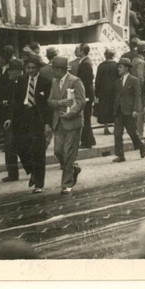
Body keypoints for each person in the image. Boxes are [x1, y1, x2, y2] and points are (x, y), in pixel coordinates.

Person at [6, 56, 52, 193]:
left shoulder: (46, 82)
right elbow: (15, 101)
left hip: (37, 117)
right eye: (28, 68)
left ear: (38, 68)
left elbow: (48, 106)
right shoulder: (21, 80)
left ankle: (39, 183)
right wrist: (10, 118)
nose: (30, 71)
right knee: (20, 146)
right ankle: (31, 170)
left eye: (33, 68)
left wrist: (47, 123)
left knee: (38, 150)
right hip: (22, 116)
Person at [47, 55, 86, 194]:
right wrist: (59, 103)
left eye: (54, 68)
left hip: (72, 122)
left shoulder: (75, 81)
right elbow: (50, 101)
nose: (52, 71)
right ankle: (73, 169)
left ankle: (67, 183)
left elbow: (81, 101)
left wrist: (70, 114)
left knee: (69, 152)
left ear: (60, 69)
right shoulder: (54, 82)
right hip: (58, 122)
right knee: (58, 150)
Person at [111, 57, 145, 162]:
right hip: (118, 110)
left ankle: (141, 144)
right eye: (118, 67)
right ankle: (120, 155)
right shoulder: (117, 82)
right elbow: (116, 96)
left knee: (132, 132)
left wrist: (136, 109)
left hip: (129, 110)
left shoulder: (134, 80)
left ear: (126, 68)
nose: (118, 69)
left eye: (120, 67)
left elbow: (137, 95)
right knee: (117, 133)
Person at [0, 58, 24, 182]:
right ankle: (12, 173)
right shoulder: (11, 83)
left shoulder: (24, 83)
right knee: (9, 147)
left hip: (22, 121)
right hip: (11, 120)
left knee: (23, 147)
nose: (8, 74)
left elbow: (22, 103)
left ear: (17, 71)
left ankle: (33, 170)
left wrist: (10, 103)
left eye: (10, 71)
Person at [73, 43, 96, 149]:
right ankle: (89, 140)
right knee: (86, 118)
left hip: (86, 94)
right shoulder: (84, 62)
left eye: (77, 49)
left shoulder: (85, 63)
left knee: (86, 118)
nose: (75, 51)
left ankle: (87, 141)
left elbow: (86, 82)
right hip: (86, 94)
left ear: (82, 51)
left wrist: (84, 96)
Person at [94, 48, 118, 136]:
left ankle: (106, 128)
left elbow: (97, 80)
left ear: (105, 55)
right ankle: (116, 127)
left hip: (103, 91)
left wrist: (97, 93)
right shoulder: (116, 65)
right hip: (114, 91)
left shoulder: (101, 66)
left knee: (105, 109)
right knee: (114, 108)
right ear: (113, 55)